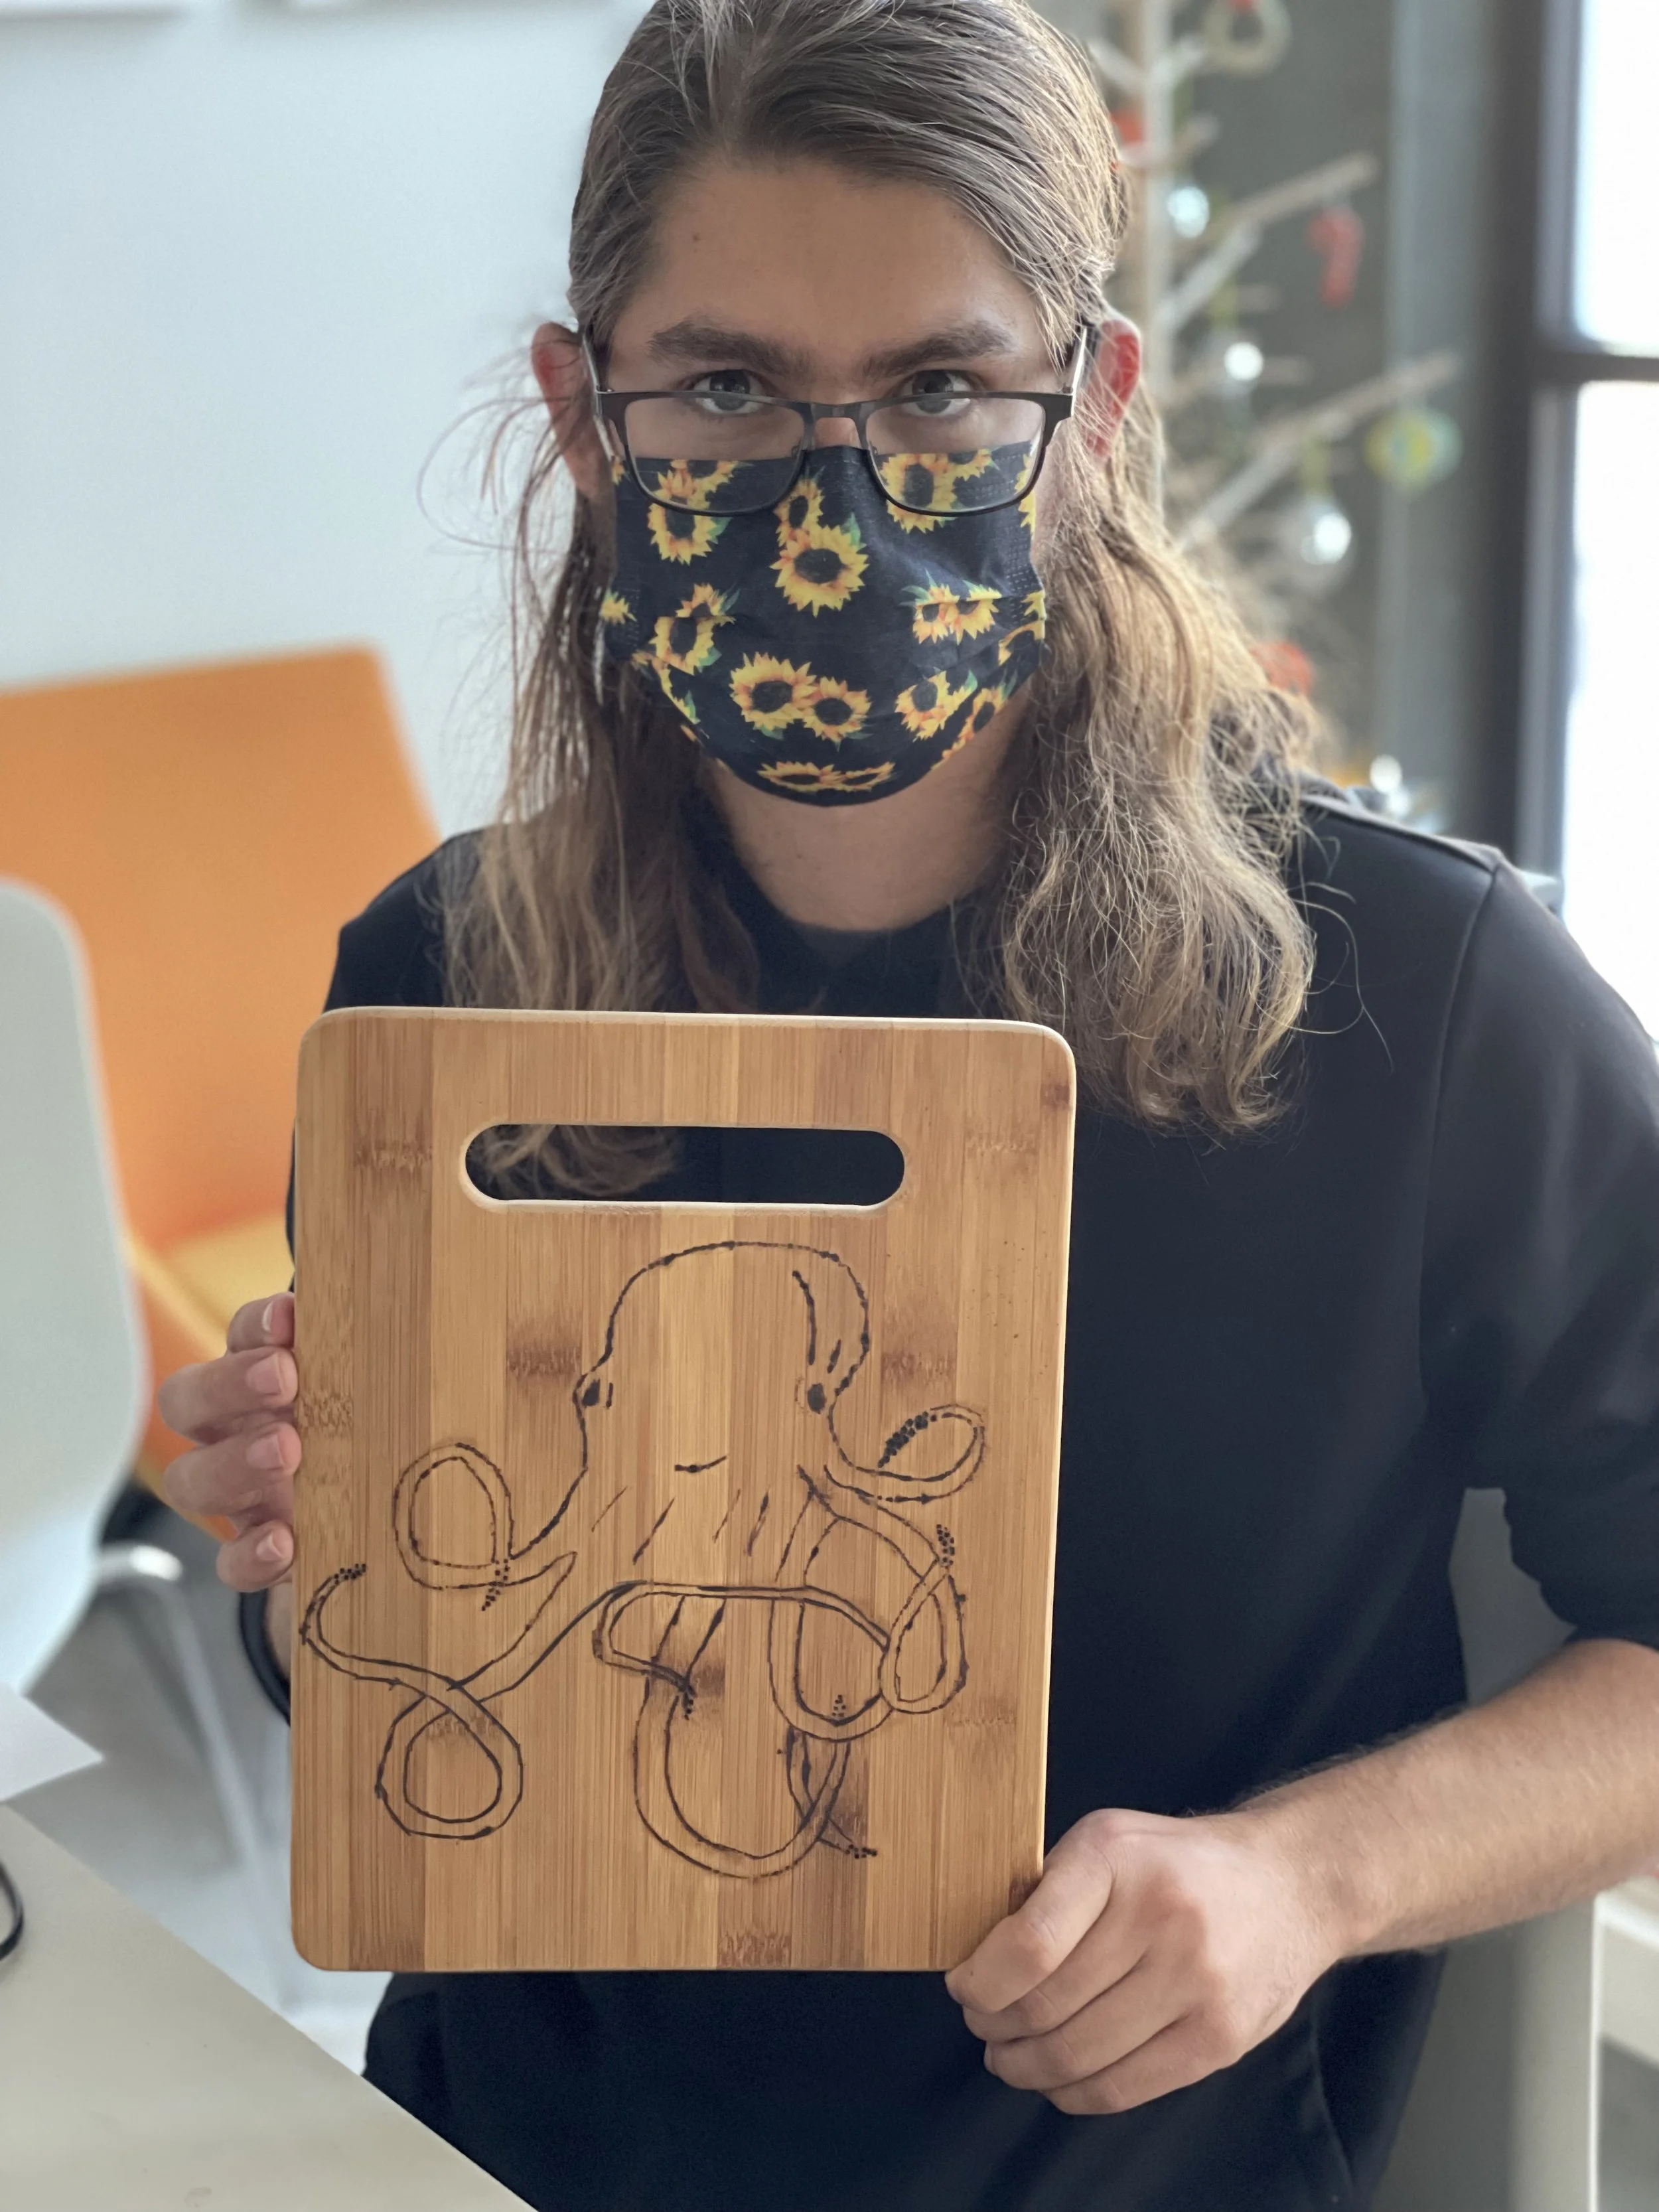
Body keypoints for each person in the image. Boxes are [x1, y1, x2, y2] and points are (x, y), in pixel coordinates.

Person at [157, 3, 1659, 2206]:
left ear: (1093, 411)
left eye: (943, 389)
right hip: (494, 2157)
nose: (834, 487)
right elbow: (384, 1697)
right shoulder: (445, 984)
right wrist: (314, 1557)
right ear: (586, 415)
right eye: (729, 388)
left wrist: (1306, 1876)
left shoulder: (1419, 1003)